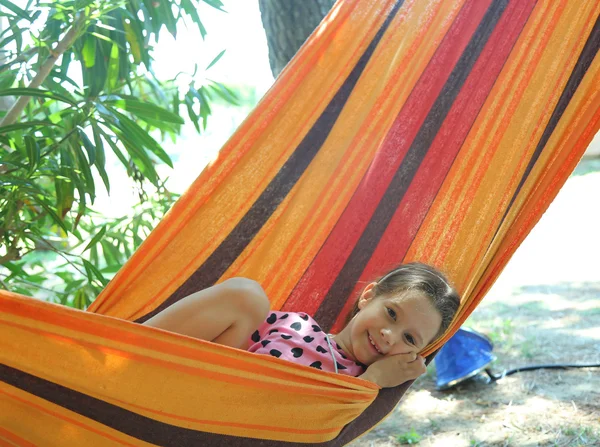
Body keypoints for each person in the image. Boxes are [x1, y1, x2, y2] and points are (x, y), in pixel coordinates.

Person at [142, 262, 460, 388]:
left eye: (409, 338)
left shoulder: (357, 386)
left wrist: (371, 383)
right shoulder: (296, 325)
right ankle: (120, 351)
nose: (389, 336)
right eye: (391, 313)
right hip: (195, 379)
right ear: (368, 296)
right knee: (248, 296)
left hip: (216, 422)